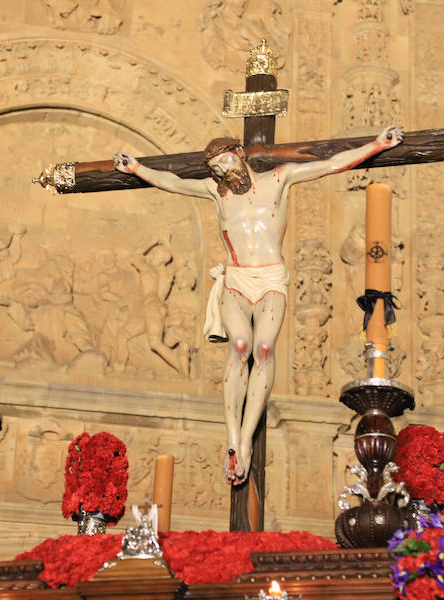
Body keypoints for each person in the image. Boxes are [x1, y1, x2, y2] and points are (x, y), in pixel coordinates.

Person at [114, 125, 404, 484]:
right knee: (239, 347)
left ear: (238, 153)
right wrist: (138, 169)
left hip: (269, 279)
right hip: (236, 279)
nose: (222, 172)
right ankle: (233, 438)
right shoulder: (215, 192)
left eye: (225, 162)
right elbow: (173, 182)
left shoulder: (280, 179)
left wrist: (377, 144)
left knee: (263, 349)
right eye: (216, 169)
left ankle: (246, 439)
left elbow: (330, 164)